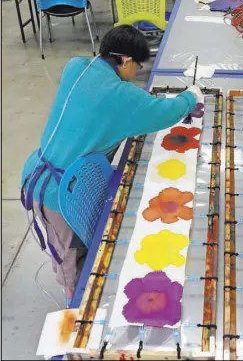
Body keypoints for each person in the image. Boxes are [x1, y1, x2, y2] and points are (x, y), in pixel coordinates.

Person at [20, 25, 203, 301]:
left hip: (47, 167)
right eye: (137, 66)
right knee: (68, 256)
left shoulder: (77, 66)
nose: (136, 74)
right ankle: (74, 304)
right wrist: (192, 96)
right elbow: (166, 112)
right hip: (55, 192)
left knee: (83, 238)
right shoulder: (121, 96)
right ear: (126, 60)